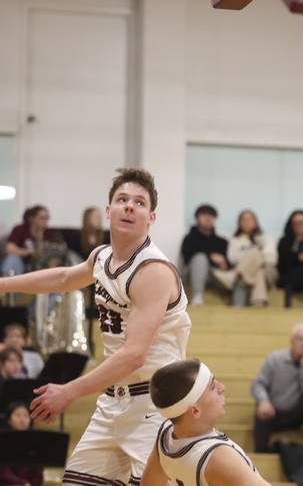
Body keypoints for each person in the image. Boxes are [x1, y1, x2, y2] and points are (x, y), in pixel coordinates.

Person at [0, 168, 191, 486]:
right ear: (108, 211)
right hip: (112, 403)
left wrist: (69, 391)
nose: (130, 206)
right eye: (122, 199)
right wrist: (4, 285)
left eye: (140, 203)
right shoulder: (101, 257)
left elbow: (134, 356)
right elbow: (62, 279)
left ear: (151, 218)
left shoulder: (152, 271)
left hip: (154, 406)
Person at [140, 359, 272, 486]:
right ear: (195, 411)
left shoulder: (166, 436)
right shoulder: (218, 457)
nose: (222, 388)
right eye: (213, 387)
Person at [251, 323, 303, 453]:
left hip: (297, 414)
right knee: (260, 410)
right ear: (292, 341)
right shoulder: (275, 358)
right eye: (300, 339)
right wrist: (263, 401)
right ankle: (261, 453)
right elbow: (258, 384)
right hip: (274, 411)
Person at [226, 209, 278, 307]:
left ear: (255, 222)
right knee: (259, 272)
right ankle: (259, 303)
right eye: (243, 220)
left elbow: (271, 259)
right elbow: (232, 258)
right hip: (251, 275)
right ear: (239, 223)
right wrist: (254, 260)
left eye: (250, 219)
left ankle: (234, 275)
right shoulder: (235, 240)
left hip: (269, 273)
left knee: (255, 253)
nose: (247, 222)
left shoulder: (266, 238)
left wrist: (254, 256)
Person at [180, 204, 230, 306]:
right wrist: (211, 256)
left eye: (211, 215)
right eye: (204, 214)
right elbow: (187, 257)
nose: (208, 218)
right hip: (192, 274)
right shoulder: (189, 238)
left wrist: (224, 264)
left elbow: (227, 261)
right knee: (200, 258)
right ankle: (197, 296)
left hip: (216, 275)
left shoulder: (222, 241)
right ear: (197, 218)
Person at [0, 401, 43, 486]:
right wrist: (22, 483)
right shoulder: (2, 437)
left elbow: (38, 473)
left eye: (26, 416)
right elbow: (2, 471)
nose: (22, 419)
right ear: (9, 420)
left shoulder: (34, 441)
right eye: (17, 415)